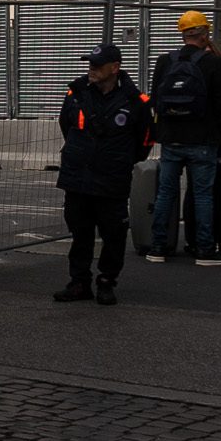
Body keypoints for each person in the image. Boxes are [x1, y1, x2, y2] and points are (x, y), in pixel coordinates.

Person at [53, 43, 152, 306]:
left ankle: (107, 281)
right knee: (80, 232)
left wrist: (119, 160)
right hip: (78, 176)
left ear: (115, 68)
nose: (91, 69)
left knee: (114, 234)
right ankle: (79, 282)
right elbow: (67, 124)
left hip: (112, 178)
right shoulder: (76, 92)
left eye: (97, 65)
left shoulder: (135, 101)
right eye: (90, 64)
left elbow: (145, 140)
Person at [145, 10, 221, 265]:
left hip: (171, 139)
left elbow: (155, 100)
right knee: (203, 194)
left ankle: (158, 247)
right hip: (202, 139)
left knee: (165, 193)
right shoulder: (213, 63)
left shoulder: (165, 61)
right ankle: (205, 249)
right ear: (205, 34)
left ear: (183, 33)